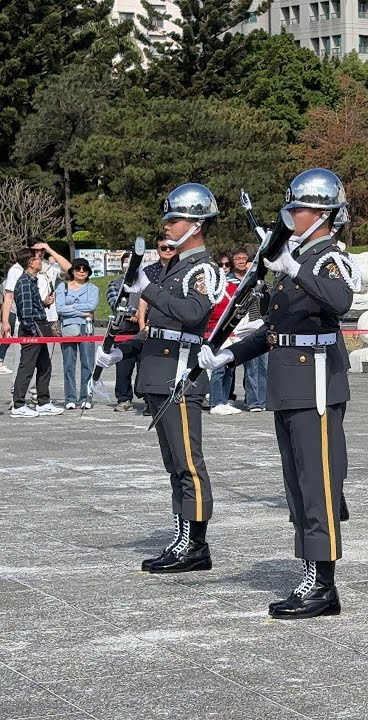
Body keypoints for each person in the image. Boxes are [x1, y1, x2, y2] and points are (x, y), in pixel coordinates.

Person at [200, 168, 359, 619]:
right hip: (289, 383)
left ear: (324, 214)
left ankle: (323, 585)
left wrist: (294, 266)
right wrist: (227, 357)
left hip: (317, 385)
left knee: (318, 484)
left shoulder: (327, 258)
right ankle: (311, 573)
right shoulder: (293, 264)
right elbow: (274, 331)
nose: (292, 216)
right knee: (297, 484)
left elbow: (341, 300)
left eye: (300, 209)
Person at [96, 183, 223, 573]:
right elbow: (157, 331)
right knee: (174, 465)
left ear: (197, 224)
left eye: (175, 219)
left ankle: (196, 546)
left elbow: (191, 314)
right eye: (168, 219)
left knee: (188, 463)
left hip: (181, 377)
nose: (167, 226)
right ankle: (182, 538)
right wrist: (121, 350)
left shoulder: (202, 269)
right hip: (157, 373)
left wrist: (147, 288)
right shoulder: (169, 269)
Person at [8, 248, 64, 417]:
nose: (41, 261)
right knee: (27, 368)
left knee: (45, 366)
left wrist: (44, 303)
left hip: (38, 330)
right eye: (38, 259)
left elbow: (31, 305)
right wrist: (33, 333)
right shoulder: (24, 282)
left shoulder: (32, 281)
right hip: (32, 332)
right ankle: (18, 404)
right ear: (30, 263)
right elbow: (25, 313)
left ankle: (43, 402)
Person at [56, 257, 99, 410]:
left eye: (84, 269)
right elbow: (60, 308)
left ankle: (86, 397)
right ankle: (70, 398)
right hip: (68, 327)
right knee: (69, 364)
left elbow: (92, 305)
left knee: (88, 364)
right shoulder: (62, 287)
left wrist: (71, 306)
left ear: (88, 272)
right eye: (78, 268)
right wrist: (82, 312)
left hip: (86, 329)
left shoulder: (93, 288)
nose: (81, 271)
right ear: (72, 271)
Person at [229, 247, 267, 412]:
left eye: (244, 258)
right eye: (238, 259)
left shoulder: (256, 280)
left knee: (264, 366)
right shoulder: (230, 282)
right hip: (241, 328)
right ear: (233, 261)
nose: (241, 261)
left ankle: (264, 400)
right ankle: (253, 401)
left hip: (259, 325)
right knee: (251, 366)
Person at [208, 254, 241, 416]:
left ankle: (225, 399)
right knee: (218, 368)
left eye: (227, 264)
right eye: (220, 264)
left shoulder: (235, 284)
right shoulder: (211, 284)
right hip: (214, 330)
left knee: (230, 367)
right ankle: (215, 402)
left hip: (232, 330)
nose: (224, 267)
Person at [106, 273, 143, 411]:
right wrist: (135, 312)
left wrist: (143, 314)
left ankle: (147, 397)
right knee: (123, 369)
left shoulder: (146, 283)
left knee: (145, 367)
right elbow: (115, 305)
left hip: (144, 330)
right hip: (124, 332)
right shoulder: (116, 284)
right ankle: (124, 398)